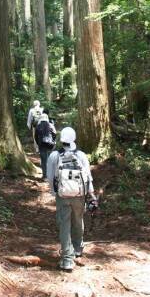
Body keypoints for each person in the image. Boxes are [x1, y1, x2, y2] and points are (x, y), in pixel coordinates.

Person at [46, 127, 98, 272]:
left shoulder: (54, 156)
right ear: (74, 138)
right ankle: (77, 248)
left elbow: (50, 177)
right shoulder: (81, 155)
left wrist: (54, 191)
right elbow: (88, 176)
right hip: (79, 195)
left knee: (64, 225)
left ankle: (67, 260)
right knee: (78, 220)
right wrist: (91, 194)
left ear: (61, 139)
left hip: (62, 196)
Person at [34, 109, 56, 180]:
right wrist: (53, 141)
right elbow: (54, 134)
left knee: (44, 161)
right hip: (50, 145)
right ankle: (51, 175)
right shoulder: (50, 125)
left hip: (42, 145)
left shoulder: (38, 126)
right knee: (50, 160)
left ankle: (45, 176)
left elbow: (36, 137)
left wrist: (38, 143)